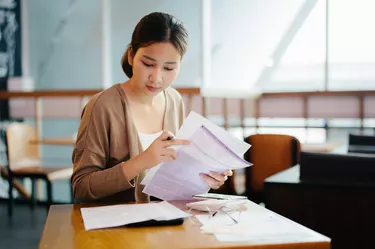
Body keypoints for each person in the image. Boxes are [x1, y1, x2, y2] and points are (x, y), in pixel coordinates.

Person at [71, 12, 232, 203]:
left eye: (169, 68)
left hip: (167, 220)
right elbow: (81, 187)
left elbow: (176, 175)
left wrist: (205, 178)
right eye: (148, 64)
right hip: (118, 226)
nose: (156, 78)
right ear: (131, 55)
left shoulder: (174, 100)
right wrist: (142, 161)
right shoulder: (102, 106)